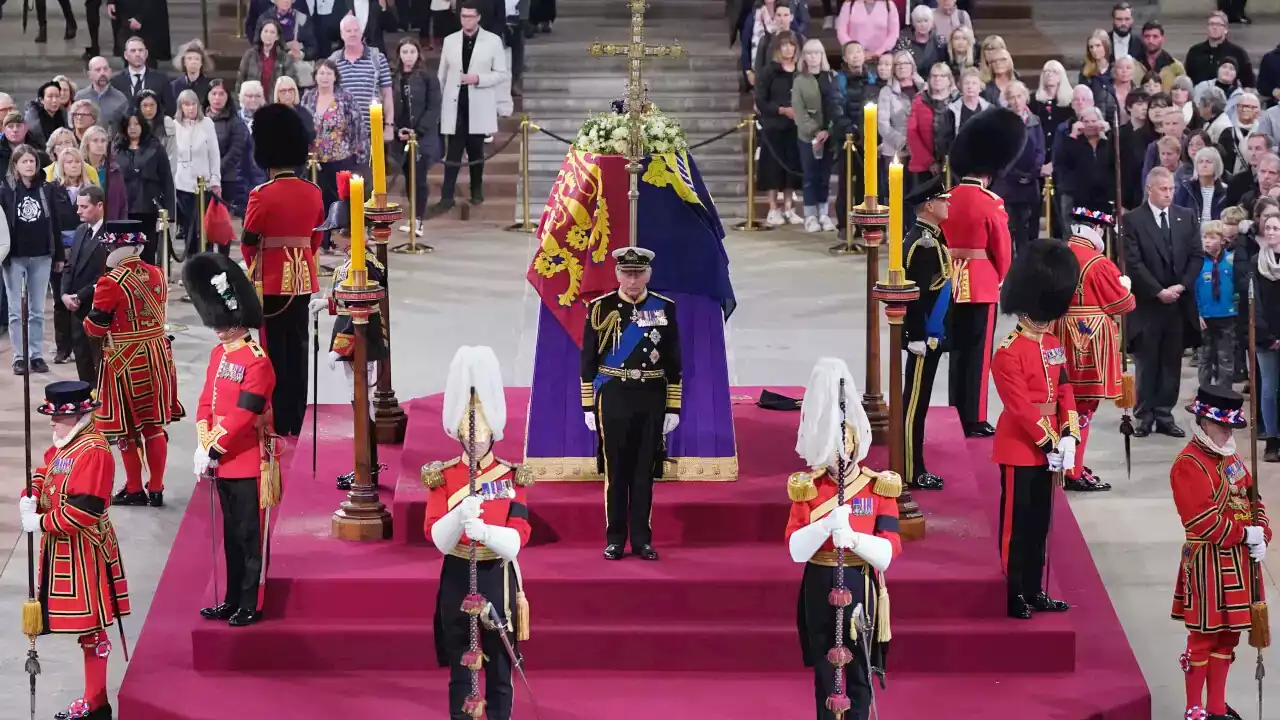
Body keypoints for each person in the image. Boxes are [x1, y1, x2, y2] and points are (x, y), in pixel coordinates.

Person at [786, 357, 900, 720]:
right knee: (825, 674)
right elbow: (794, 550)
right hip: (819, 584)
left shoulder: (876, 485)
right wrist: (823, 527)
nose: (842, 460)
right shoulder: (809, 488)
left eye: (846, 450)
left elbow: (887, 552)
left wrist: (852, 539)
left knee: (858, 675)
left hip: (860, 584)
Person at [422, 344, 532, 720]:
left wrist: (484, 530)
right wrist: (457, 517)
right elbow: (436, 538)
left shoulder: (511, 476)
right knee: (460, 671)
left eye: (480, 432)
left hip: (496, 575)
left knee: (500, 671)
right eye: (468, 432)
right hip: (456, 574)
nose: (474, 439)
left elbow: (517, 539)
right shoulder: (444, 475)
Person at [18, 379, 130, 720]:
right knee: (86, 629)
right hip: (64, 549)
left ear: (78, 415)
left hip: (86, 550)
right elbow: (46, 468)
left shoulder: (94, 451)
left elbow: (85, 510)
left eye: (56, 416)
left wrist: (42, 523)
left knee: (93, 627)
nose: (52, 421)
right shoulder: (68, 441)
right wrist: (32, 493)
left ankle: (96, 701)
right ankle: (93, 699)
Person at [992, 237, 1081, 619]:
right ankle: (1013, 592)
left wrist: (1070, 434)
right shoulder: (1007, 351)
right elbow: (1019, 407)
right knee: (1017, 525)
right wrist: (1050, 442)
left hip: (1051, 446)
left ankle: (1034, 588)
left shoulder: (1052, 342)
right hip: (1019, 446)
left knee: (1041, 523)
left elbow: (1064, 388)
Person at [1170, 385, 1270, 720]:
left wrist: (1263, 533)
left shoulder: (1231, 456)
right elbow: (1202, 521)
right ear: (1204, 421)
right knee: (1202, 638)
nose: (1229, 432)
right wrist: (1246, 533)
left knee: (1227, 640)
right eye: (1223, 426)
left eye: (1231, 427)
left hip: (1239, 563)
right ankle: (1194, 708)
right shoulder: (1188, 463)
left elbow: (1253, 498)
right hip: (1208, 563)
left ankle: (1215, 707)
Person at [187, 251, 275, 627]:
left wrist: (214, 446)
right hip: (222, 459)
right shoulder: (218, 354)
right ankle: (230, 598)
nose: (218, 330)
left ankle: (250, 601)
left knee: (248, 537)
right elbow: (207, 401)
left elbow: (244, 414)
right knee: (229, 536)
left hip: (246, 459)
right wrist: (203, 442)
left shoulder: (257, 361)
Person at [581, 247, 682, 562]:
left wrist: (673, 407)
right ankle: (615, 538)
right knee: (616, 471)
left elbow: (674, 360)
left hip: (651, 396)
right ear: (617, 274)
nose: (633, 279)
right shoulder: (601, 308)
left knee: (643, 471)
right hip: (613, 396)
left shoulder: (664, 308)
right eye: (627, 273)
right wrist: (587, 405)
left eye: (639, 273)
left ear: (648, 274)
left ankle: (642, 540)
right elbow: (588, 360)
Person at [82, 219, 184, 507]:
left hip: (124, 362)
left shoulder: (110, 282)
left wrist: (89, 320)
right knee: (154, 426)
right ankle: (157, 487)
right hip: (158, 357)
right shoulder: (158, 274)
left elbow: (96, 328)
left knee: (125, 428)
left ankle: (135, 488)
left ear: (115, 248)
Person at [240, 104, 325, 437]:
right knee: (299, 347)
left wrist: (255, 268)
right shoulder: (314, 192)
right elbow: (316, 238)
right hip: (303, 278)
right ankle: (297, 416)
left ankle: (278, 417)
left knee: (273, 350)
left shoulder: (261, 195)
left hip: (272, 281)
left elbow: (249, 241)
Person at [939, 108, 1021, 438]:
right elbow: (1002, 249)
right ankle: (974, 417)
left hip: (949, 281)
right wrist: (1002, 277)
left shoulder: (946, 198)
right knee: (978, 355)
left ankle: (956, 409)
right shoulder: (991, 202)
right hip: (982, 283)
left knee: (957, 351)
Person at [309, 171, 388, 489]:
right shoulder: (351, 264)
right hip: (354, 341)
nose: (331, 240)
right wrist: (327, 303)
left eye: (335, 235)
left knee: (362, 406)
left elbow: (360, 312)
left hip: (360, 342)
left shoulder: (364, 266)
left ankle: (365, 467)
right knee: (358, 404)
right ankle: (363, 465)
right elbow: (345, 303)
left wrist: (339, 347)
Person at [1052, 207, 1136, 492]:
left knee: (1063, 401)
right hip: (1088, 340)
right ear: (1098, 229)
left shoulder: (1059, 253)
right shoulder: (1097, 262)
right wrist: (1125, 286)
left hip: (1058, 332)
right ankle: (1072, 470)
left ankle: (1066, 461)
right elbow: (1122, 304)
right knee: (1083, 407)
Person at [1123, 166, 1203, 438]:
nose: (1169, 194)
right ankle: (1144, 415)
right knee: (1147, 362)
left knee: (1171, 361)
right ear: (1150, 190)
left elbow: (1196, 255)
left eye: (1171, 189)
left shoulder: (1186, 217)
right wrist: (1158, 291)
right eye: (1163, 189)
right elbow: (1132, 262)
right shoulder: (1133, 220)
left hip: (1177, 304)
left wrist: (1180, 286)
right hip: (1147, 304)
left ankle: (1165, 414)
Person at [434, 0, 508, 214]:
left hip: (479, 103)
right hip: (454, 104)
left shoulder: (492, 41)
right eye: (463, 16)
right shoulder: (450, 41)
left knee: (476, 152)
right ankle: (447, 196)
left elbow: (502, 74)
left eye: (470, 16)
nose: (466, 20)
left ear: (478, 17)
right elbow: (442, 74)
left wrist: (478, 78)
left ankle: (477, 191)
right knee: (453, 154)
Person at [902, 177, 951, 491]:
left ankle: (915, 464)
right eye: (944, 200)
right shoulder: (923, 243)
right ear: (930, 206)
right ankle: (910, 469)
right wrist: (916, 336)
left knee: (919, 402)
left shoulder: (932, 236)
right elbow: (915, 294)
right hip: (924, 337)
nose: (948, 205)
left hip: (934, 333)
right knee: (914, 406)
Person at [2, 144, 64, 376]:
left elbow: (55, 223)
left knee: (37, 310)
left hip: (41, 255)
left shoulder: (47, 189)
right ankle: (20, 357)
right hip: (14, 257)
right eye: (24, 161)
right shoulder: (5, 190)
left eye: (32, 161)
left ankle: (36, 355)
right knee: (16, 311)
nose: (29, 165)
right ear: (15, 165)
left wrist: (58, 254)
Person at [302, 60, 367, 237]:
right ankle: (323, 239)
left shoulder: (345, 98)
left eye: (328, 73)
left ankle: (344, 236)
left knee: (342, 200)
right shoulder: (308, 97)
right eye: (321, 73)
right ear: (315, 76)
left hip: (342, 156)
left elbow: (357, 126)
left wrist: (360, 153)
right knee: (320, 200)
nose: (324, 77)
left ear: (335, 76)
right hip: (316, 159)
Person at [391, 37, 442, 237]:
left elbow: (433, 107)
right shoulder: (394, 77)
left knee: (419, 178)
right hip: (400, 137)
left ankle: (418, 220)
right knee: (408, 177)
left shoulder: (428, 77)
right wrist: (396, 130)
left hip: (422, 137)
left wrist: (418, 131)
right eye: (405, 52)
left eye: (412, 52)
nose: (408, 56)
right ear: (399, 55)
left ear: (418, 54)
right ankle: (415, 218)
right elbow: (388, 107)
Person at [114, 108, 175, 266]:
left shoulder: (156, 147)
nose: (133, 127)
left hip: (149, 207)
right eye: (129, 124)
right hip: (124, 208)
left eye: (136, 124)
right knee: (125, 251)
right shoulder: (116, 149)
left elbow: (167, 180)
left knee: (148, 250)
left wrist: (169, 210)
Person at [48, 146, 92, 365]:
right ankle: (62, 347)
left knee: (82, 297)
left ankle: (83, 345)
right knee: (61, 299)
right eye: (68, 162)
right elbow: (53, 223)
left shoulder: (90, 188)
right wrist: (57, 253)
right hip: (62, 248)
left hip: (85, 246)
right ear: (61, 166)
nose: (73, 165)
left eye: (76, 161)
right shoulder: (53, 189)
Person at [61, 185, 109, 385]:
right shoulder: (81, 230)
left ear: (99, 206)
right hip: (75, 306)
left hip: (96, 305)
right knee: (81, 355)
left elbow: (105, 275)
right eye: (78, 206)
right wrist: (64, 294)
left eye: (84, 206)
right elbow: (70, 266)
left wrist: (80, 295)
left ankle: (102, 402)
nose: (78, 211)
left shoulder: (110, 235)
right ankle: (88, 397)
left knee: (98, 358)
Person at [792, 38, 839, 233]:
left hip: (829, 135)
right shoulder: (799, 80)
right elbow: (799, 111)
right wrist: (815, 131)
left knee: (825, 176)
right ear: (804, 57)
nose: (813, 57)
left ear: (822, 55)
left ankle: (824, 212)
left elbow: (836, 105)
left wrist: (829, 130)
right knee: (811, 176)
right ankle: (810, 215)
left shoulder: (832, 76)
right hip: (808, 136)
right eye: (809, 53)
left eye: (817, 53)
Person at [756, 31, 803, 227]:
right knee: (772, 168)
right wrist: (782, 110)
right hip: (774, 126)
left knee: (791, 168)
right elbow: (760, 99)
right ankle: (773, 208)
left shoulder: (801, 72)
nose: (788, 49)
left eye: (791, 45)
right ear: (777, 48)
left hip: (795, 128)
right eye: (784, 45)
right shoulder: (769, 72)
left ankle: (789, 207)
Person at [993, 82, 1043, 258]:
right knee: (1008, 229)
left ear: (1025, 97)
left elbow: (1040, 150)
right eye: (1011, 97)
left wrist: (1033, 172)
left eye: (1019, 96)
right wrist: (1017, 174)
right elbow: (1000, 152)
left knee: (1027, 230)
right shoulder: (1000, 122)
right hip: (1007, 184)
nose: (1016, 101)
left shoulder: (1035, 121)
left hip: (1029, 184)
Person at [170, 89, 221, 256]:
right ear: (180, 107)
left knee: (205, 228)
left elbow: (214, 154)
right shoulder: (174, 125)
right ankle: (191, 265)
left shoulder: (207, 123)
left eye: (193, 104)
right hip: (182, 185)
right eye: (186, 104)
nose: (190, 108)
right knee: (188, 229)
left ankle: (207, 262)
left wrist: (215, 179)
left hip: (204, 185)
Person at [1194, 220, 1236, 390]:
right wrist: (1196, 313)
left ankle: (1224, 395)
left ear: (1222, 240)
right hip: (1205, 317)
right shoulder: (1197, 262)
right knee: (1205, 358)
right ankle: (1204, 395)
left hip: (1227, 316)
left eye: (1211, 237)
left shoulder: (1231, 261)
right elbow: (1192, 290)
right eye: (1204, 237)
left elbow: (1238, 286)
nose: (1207, 241)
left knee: (1225, 358)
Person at [1255, 213, 1280, 460]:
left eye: (1276, 228)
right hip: (1266, 338)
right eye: (1268, 228)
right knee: (1269, 390)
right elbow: (1255, 304)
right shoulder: (1256, 263)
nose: (1271, 232)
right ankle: (1271, 440)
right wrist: (1267, 335)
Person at [1184, 11, 1254, 88]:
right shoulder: (1195, 52)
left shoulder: (1238, 53)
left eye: (1218, 25)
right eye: (1211, 24)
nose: (1214, 27)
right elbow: (1188, 81)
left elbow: (1249, 84)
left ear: (1226, 29)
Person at [110, 37, 174, 115]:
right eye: (133, 51)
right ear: (126, 55)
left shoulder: (161, 79)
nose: (137, 54)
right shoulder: (115, 81)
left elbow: (169, 109)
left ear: (146, 54)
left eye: (140, 50)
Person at [238, 18, 300, 96]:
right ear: (260, 34)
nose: (268, 35)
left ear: (277, 37)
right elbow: (240, 81)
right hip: (253, 102)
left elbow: (292, 83)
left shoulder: (285, 58)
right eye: (265, 31)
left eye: (272, 32)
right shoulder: (250, 55)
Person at [80, 125, 128, 221]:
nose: (100, 144)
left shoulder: (114, 170)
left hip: (109, 225)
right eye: (95, 140)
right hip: (83, 225)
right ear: (87, 144)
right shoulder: (79, 168)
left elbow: (123, 204)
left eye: (103, 141)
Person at [105, 1, 172, 65]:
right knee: (127, 52)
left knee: (146, 56)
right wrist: (111, 1)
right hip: (123, 14)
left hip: (148, 17)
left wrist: (141, 17)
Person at [74, 57, 129, 132]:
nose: (102, 73)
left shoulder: (120, 99)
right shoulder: (80, 97)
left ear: (110, 72)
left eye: (105, 69)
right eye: (98, 70)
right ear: (89, 74)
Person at [1175, 146, 1228, 222]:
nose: (1204, 165)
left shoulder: (1225, 192)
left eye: (1208, 162)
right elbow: (1177, 214)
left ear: (1216, 166)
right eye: (1201, 162)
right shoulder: (1186, 188)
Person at [1136, 21, 1186, 93]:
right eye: (1147, 36)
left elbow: (1184, 93)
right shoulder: (1132, 65)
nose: (1151, 40)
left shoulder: (1175, 67)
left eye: (1155, 36)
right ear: (1142, 38)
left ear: (1163, 39)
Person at [171, 39, 214, 109]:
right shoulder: (174, 86)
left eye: (197, 59)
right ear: (184, 62)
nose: (193, 62)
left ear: (202, 63)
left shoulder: (210, 86)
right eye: (189, 58)